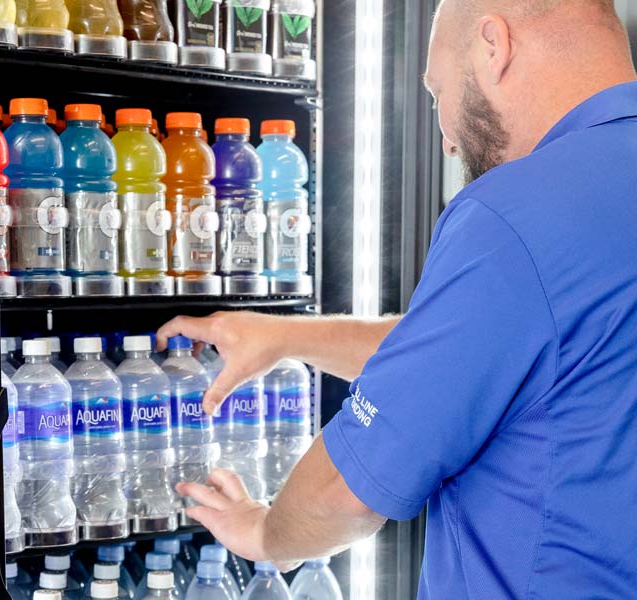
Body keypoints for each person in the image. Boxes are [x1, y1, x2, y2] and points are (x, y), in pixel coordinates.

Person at [155, 1, 637, 598]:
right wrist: (285, 336)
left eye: (438, 94)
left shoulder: (512, 215)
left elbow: (347, 493)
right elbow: (487, 353)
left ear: (494, 47)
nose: (448, 140)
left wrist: (262, 532)